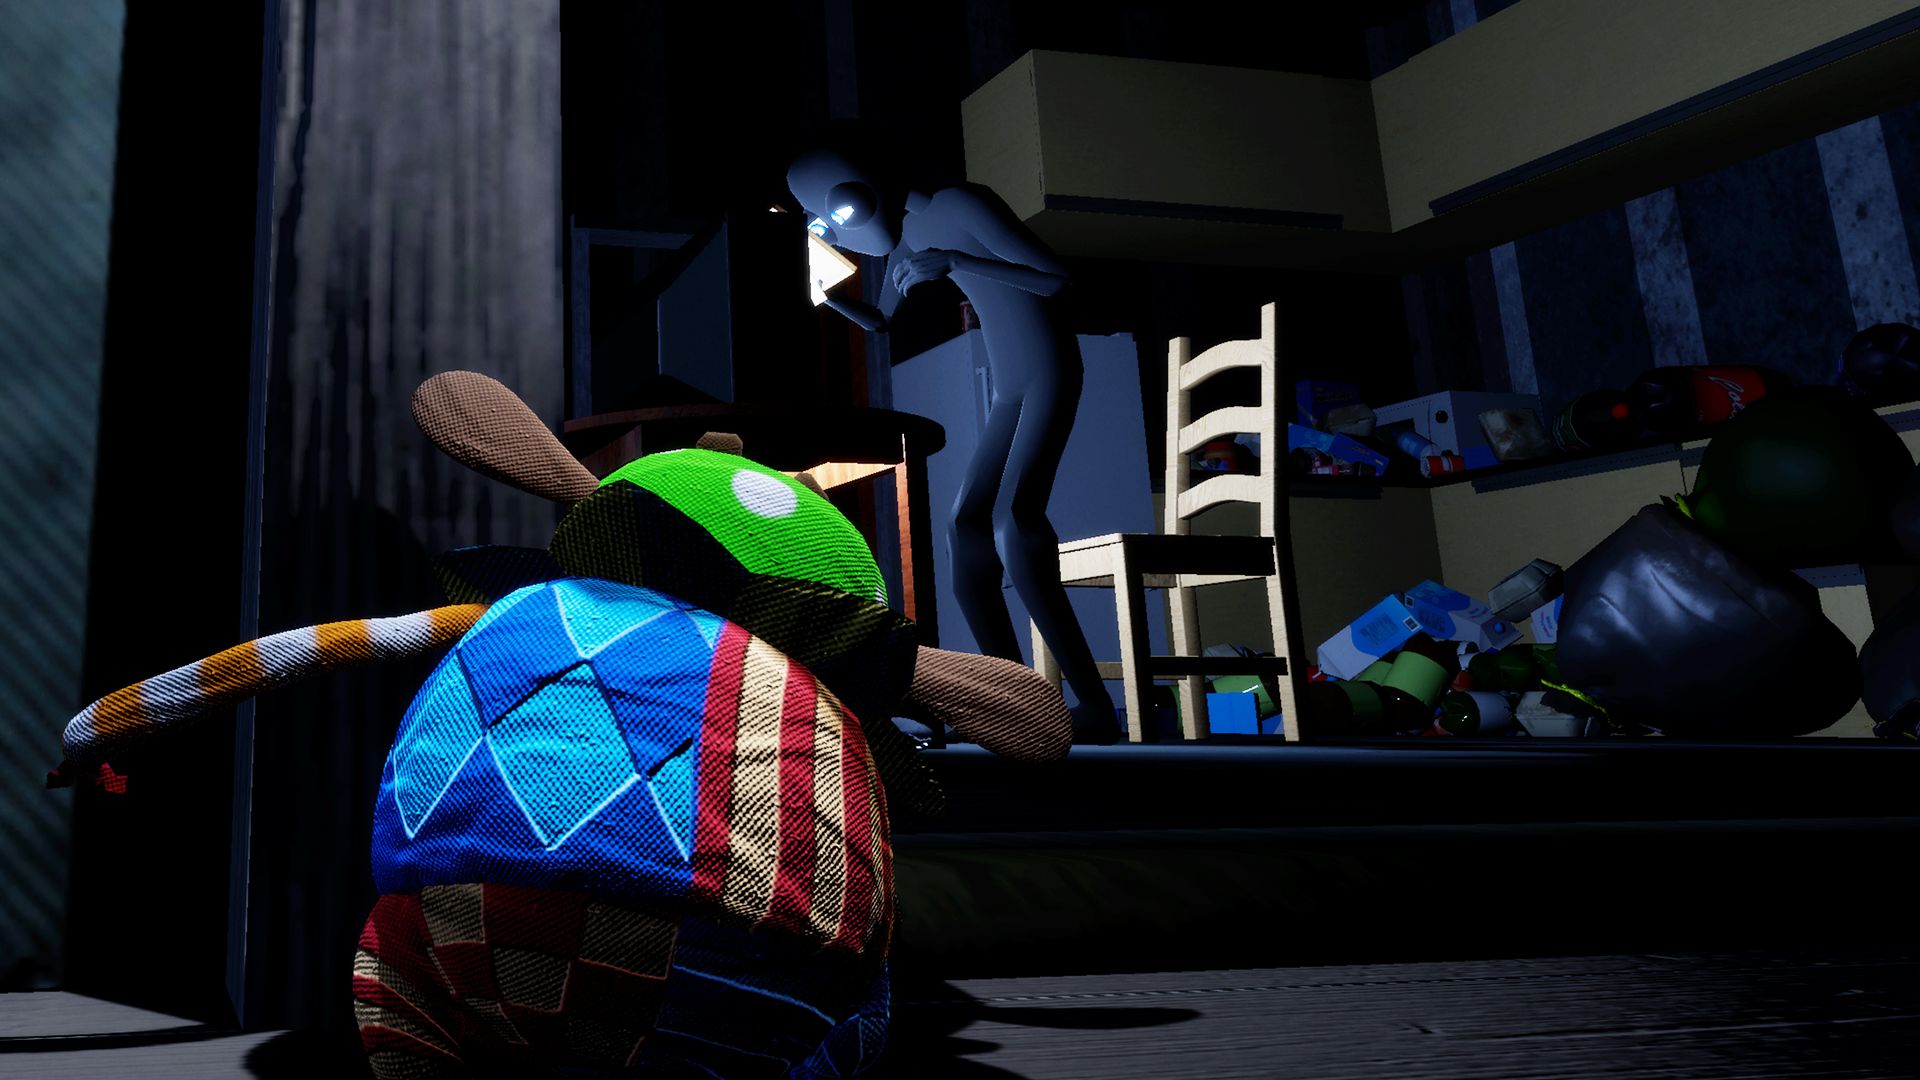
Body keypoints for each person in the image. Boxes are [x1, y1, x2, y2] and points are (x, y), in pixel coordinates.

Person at [788, 145, 1121, 743]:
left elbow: (1056, 279)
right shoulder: (909, 234)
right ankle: (1013, 705)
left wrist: (959, 260)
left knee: (1015, 522)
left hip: (1047, 370)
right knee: (964, 529)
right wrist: (833, 298)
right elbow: (883, 320)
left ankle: (1094, 708)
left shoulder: (964, 204)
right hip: (1009, 386)